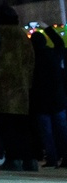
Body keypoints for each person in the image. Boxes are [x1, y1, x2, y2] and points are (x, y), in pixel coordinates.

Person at [0, 5, 36, 171]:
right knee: (22, 127)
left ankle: (13, 159)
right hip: (21, 88)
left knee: (6, 126)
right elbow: (30, 61)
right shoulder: (22, 35)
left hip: (1, 87)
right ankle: (29, 160)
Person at [30, 27, 67, 167]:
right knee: (62, 131)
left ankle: (52, 158)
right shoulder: (54, 54)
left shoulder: (32, 58)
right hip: (58, 99)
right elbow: (60, 43)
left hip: (41, 102)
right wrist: (47, 29)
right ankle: (65, 157)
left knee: (47, 134)